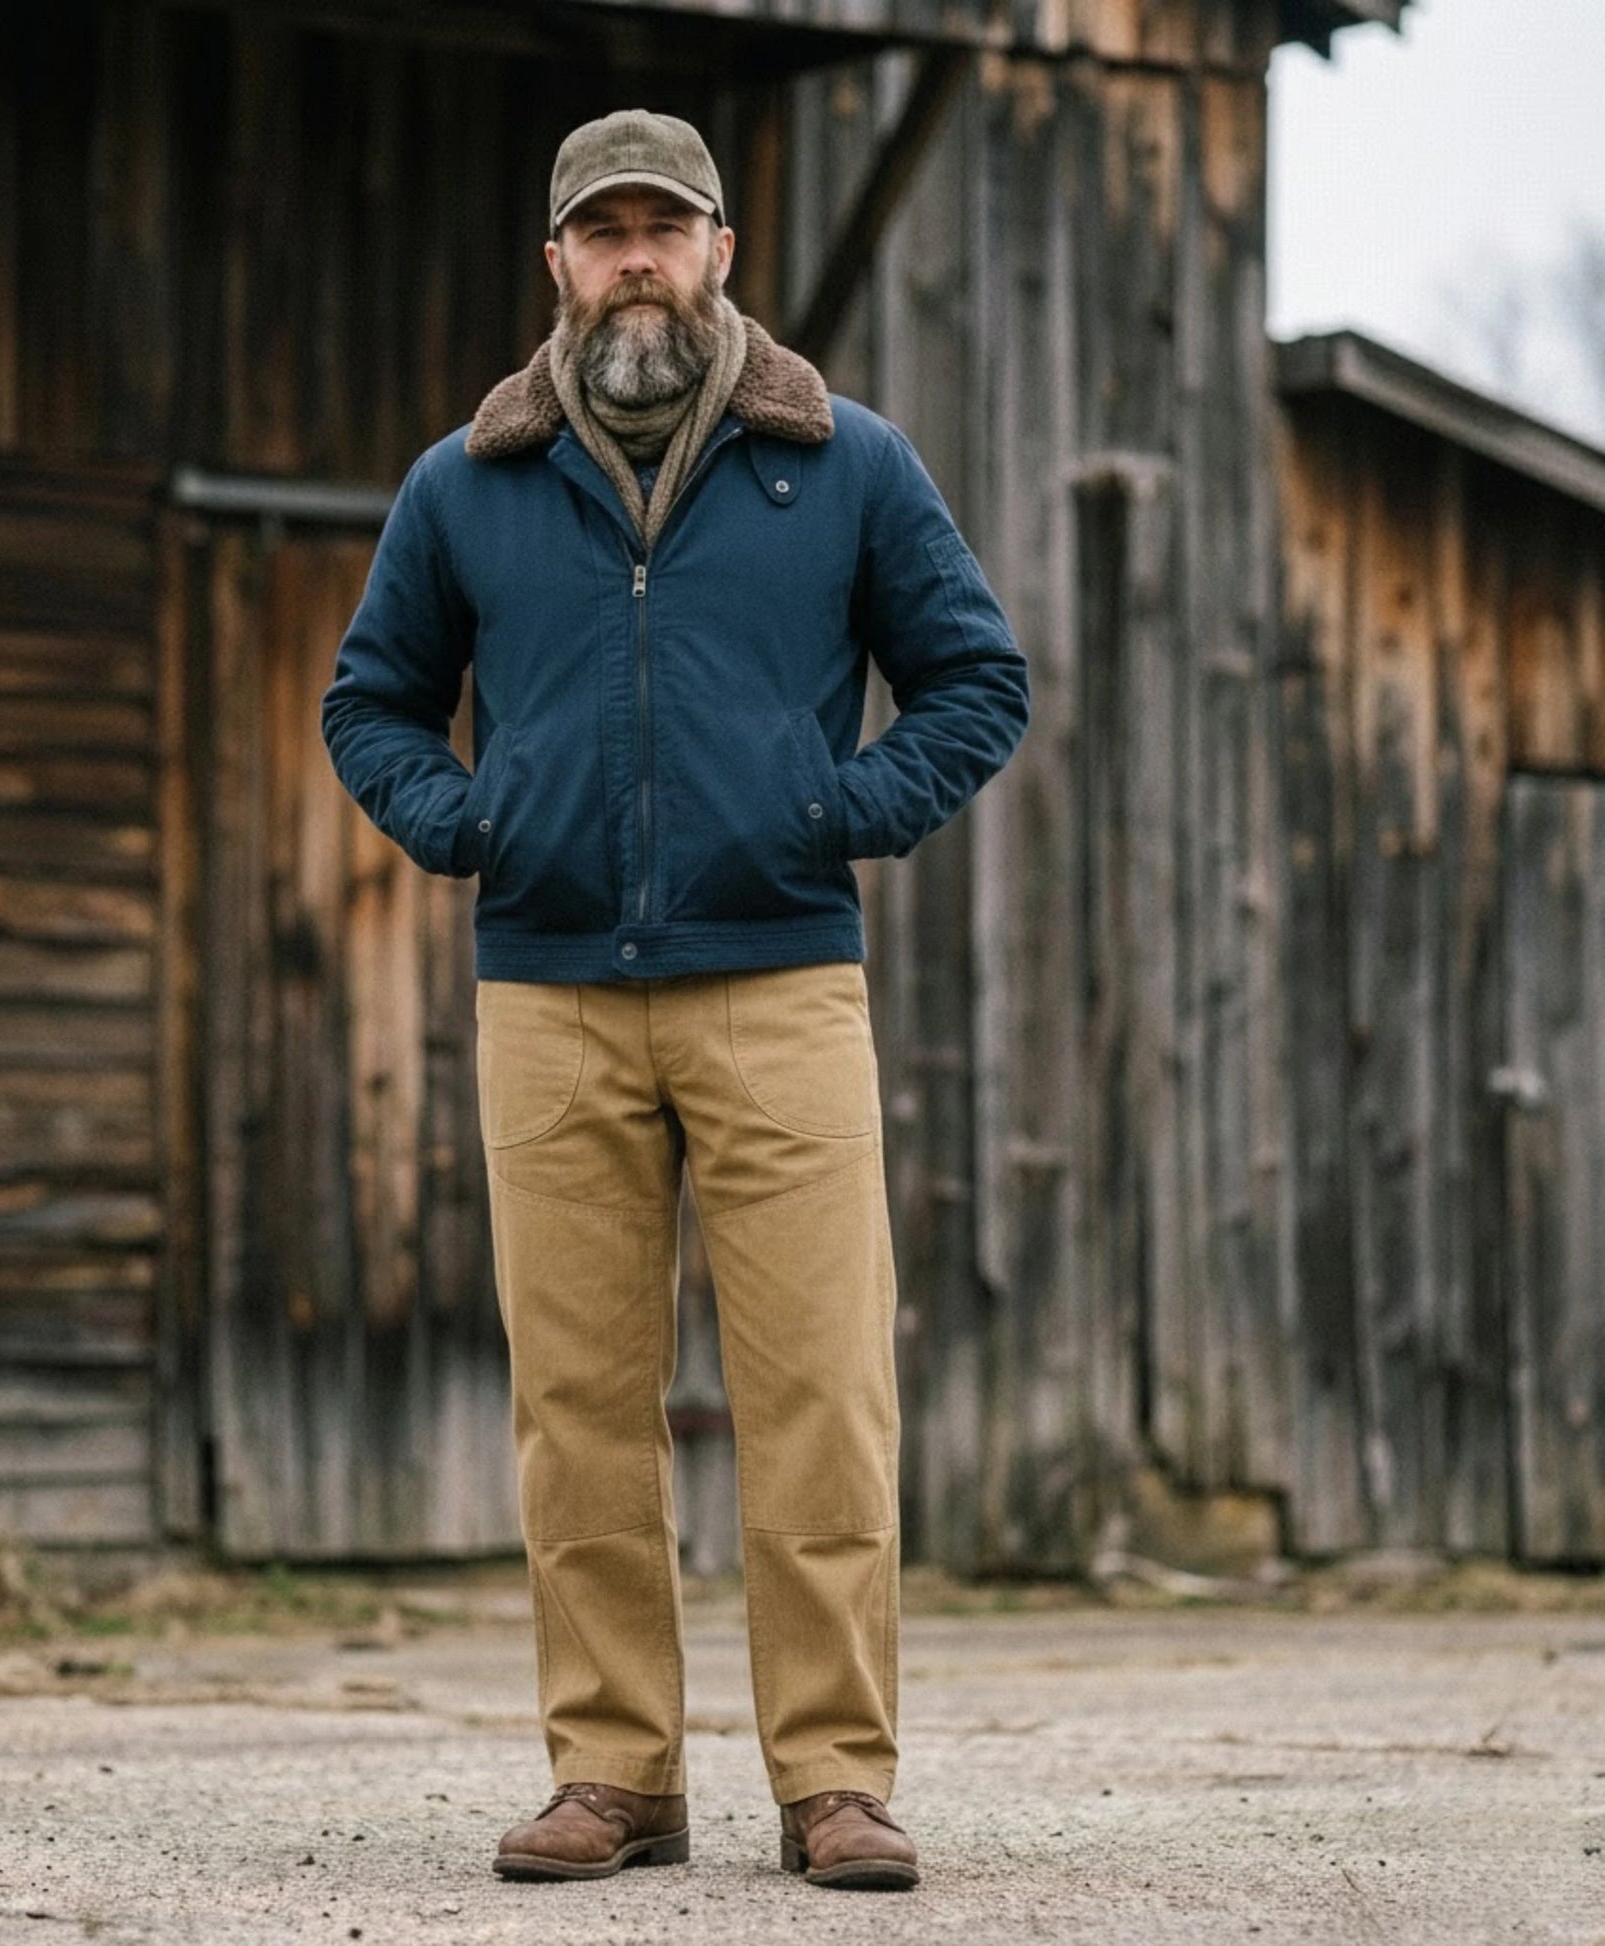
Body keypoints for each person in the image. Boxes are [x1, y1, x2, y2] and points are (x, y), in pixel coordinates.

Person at [319, 107, 1029, 1893]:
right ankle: (615, 1774)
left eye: (667, 224)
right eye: (600, 229)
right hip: (547, 995)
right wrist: (470, 821)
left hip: (781, 986)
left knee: (821, 1393)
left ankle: (833, 1782)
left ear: (722, 249)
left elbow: (974, 679)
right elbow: (370, 701)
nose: (634, 255)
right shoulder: (462, 481)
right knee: (577, 1406)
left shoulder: (845, 462)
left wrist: (831, 812)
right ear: (552, 262)